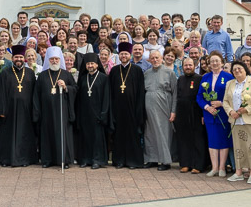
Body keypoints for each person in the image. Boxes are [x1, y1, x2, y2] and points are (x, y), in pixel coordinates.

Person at [224, 60, 251, 185]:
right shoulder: (230, 84)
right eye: (234, 69)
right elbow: (225, 101)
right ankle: (239, 172)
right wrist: (231, 111)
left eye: (240, 69)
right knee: (239, 147)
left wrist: (246, 110)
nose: (237, 71)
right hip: (236, 120)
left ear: (245, 69)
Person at [0, 45, 38, 167]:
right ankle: (6, 159)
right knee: (8, 135)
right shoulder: (5, 73)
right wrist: (1, 110)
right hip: (9, 110)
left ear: (24, 58)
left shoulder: (30, 73)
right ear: (12, 58)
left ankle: (25, 159)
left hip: (26, 111)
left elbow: (34, 93)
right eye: (16, 57)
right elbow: (1, 92)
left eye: (20, 57)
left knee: (25, 134)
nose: (18, 59)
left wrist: (34, 110)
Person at [33, 46, 76, 168]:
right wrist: (37, 111)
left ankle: (64, 160)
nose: (54, 61)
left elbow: (75, 89)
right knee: (47, 135)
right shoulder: (42, 76)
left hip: (62, 111)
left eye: (57, 59)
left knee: (62, 135)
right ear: (48, 60)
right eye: (52, 59)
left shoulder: (66, 74)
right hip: (46, 111)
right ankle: (47, 160)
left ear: (60, 60)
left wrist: (66, 87)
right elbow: (36, 94)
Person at [109, 41, 146, 169]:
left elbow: (141, 91)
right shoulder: (114, 70)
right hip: (117, 109)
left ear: (130, 55)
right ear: (118, 55)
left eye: (126, 54)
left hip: (132, 108)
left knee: (132, 135)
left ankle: (132, 161)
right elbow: (110, 92)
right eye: (121, 54)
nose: (123, 56)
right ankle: (119, 160)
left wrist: (139, 110)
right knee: (119, 136)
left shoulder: (137, 70)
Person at [196, 50, 233, 177]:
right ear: (209, 64)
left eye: (217, 61)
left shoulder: (228, 77)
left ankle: (222, 167)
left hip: (223, 113)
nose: (214, 63)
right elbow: (199, 96)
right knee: (212, 140)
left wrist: (221, 103)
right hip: (209, 114)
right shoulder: (205, 77)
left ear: (222, 63)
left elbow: (233, 96)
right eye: (212, 61)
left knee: (223, 140)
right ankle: (214, 167)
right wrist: (207, 107)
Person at [172, 56, 209, 174]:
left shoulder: (200, 79)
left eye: (190, 65)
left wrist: (203, 114)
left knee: (197, 139)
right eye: (185, 65)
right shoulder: (180, 79)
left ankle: (198, 165)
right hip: (182, 112)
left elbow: (203, 97)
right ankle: (185, 164)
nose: (188, 67)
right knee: (183, 139)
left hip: (196, 112)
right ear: (182, 67)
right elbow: (177, 96)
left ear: (194, 66)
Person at [74, 52, 109, 169]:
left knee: (97, 138)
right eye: (88, 63)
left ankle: (97, 160)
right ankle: (85, 159)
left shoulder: (104, 78)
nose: (90, 66)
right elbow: (78, 97)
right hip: (84, 113)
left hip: (98, 114)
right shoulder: (83, 78)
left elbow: (106, 97)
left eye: (92, 63)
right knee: (85, 137)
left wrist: (104, 113)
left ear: (97, 65)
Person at [143, 48, 175, 171]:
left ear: (162, 59)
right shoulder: (146, 73)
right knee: (149, 133)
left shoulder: (169, 73)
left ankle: (165, 161)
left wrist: (173, 111)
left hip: (164, 106)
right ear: (149, 60)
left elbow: (175, 93)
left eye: (157, 58)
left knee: (163, 133)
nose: (155, 60)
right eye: (153, 58)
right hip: (149, 106)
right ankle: (152, 159)